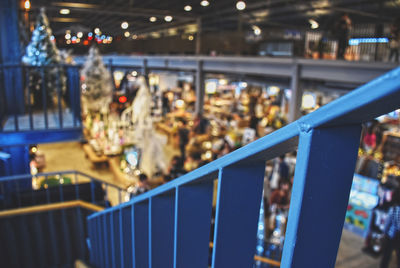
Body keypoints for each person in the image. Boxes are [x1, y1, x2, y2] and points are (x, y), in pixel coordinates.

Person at [380, 188, 400, 268]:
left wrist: (384, 233)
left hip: (391, 235)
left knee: (386, 256)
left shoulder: (394, 209)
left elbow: (388, 223)